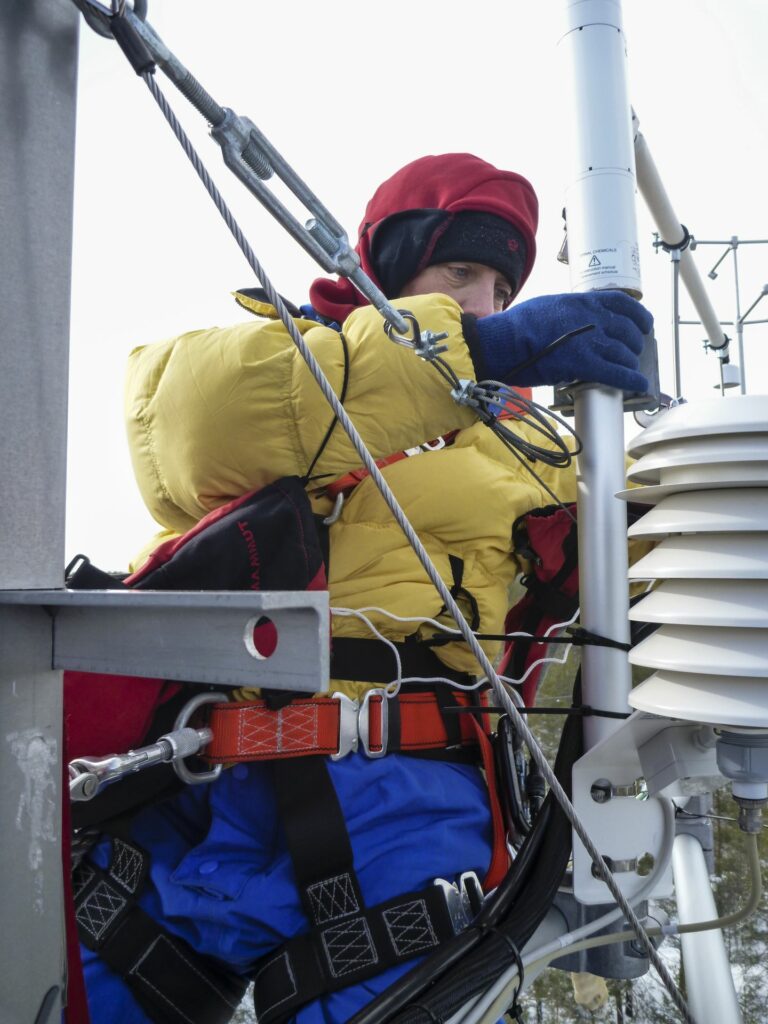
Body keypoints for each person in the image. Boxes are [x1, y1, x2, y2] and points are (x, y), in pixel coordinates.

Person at [74, 152, 652, 1024]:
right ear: (391, 262)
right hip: (195, 781)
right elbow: (195, 430)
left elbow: (642, 549)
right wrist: (461, 356)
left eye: (501, 286)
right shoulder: (280, 354)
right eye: (460, 270)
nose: (483, 303)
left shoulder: (530, 446)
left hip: (407, 802)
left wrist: (665, 470)